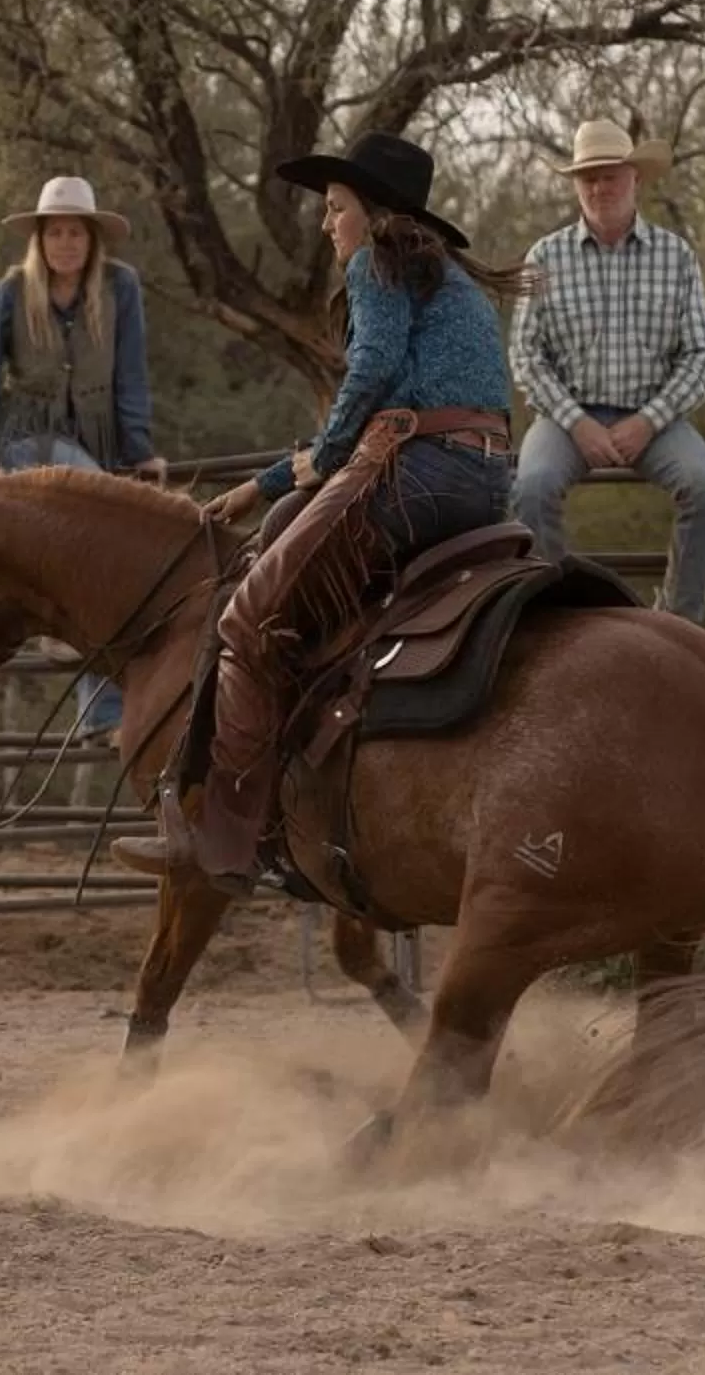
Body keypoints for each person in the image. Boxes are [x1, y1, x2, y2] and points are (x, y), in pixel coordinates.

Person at [113, 130, 520, 896]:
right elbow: (367, 419)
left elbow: (371, 377)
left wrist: (325, 459)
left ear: (373, 211)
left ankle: (222, 830)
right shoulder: (445, 277)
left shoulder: (378, 260)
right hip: (482, 475)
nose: (329, 223)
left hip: (418, 470)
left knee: (245, 617)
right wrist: (267, 485)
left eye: (336, 207)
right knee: (283, 549)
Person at [0, 176, 169, 735]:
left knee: (103, 563)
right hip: (29, 443)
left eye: (76, 233)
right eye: (55, 232)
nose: (66, 243)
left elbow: (130, 376)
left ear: (92, 240)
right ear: (39, 240)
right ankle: (107, 708)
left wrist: (140, 451)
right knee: (97, 543)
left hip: (96, 444)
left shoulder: (120, 289)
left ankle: (101, 708)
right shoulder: (13, 292)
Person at [506, 116, 705, 624]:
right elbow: (525, 354)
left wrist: (648, 420)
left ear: (635, 179)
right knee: (531, 487)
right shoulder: (544, 256)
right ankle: (555, 619)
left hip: (657, 417)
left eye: (610, 175)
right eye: (588, 177)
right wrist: (577, 423)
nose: (599, 187)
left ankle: (678, 622)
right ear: (576, 186)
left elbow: (701, 355)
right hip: (568, 416)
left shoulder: (676, 256)